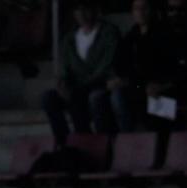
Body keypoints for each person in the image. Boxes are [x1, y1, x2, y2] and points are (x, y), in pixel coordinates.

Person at [42, 3, 118, 146]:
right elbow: (65, 69)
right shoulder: (69, 39)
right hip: (75, 87)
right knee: (48, 98)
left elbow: (107, 65)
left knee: (84, 97)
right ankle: (63, 142)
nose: (81, 13)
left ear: (94, 10)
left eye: (85, 8)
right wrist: (62, 84)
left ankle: (92, 142)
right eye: (77, 9)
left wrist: (81, 85)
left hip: (98, 85)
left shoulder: (108, 32)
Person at [105, 0, 159, 134]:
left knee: (128, 96)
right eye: (136, 9)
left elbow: (158, 67)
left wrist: (128, 79)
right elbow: (120, 63)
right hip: (135, 85)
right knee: (104, 96)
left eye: (144, 8)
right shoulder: (130, 36)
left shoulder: (163, 33)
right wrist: (118, 79)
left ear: (151, 10)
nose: (140, 12)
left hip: (156, 87)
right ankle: (121, 140)